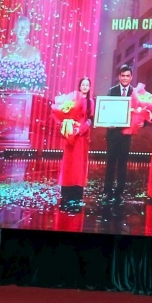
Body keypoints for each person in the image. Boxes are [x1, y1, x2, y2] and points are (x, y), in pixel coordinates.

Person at [56, 77, 94, 209]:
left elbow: (90, 120)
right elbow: (65, 115)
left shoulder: (90, 102)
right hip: (70, 135)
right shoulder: (71, 100)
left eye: (87, 85)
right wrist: (67, 127)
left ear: (89, 87)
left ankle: (77, 191)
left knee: (79, 163)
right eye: (83, 84)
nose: (85, 87)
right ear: (79, 86)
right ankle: (66, 190)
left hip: (81, 137)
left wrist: (80, 130)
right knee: (68, 162)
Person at [104, 64, 134, 204]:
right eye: (123, 76)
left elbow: (142, 112)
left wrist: (143, 123)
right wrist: (107, 122)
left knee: (122, 164)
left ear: (131, 77)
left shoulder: (135, 93)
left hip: (126, 135)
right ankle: (107, 191)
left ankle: (119, 192)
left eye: (127, 76)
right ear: (119, 77)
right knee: (110, 163)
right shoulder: (112, 91)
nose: (125, 78)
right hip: (112, 134)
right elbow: (106, 111)